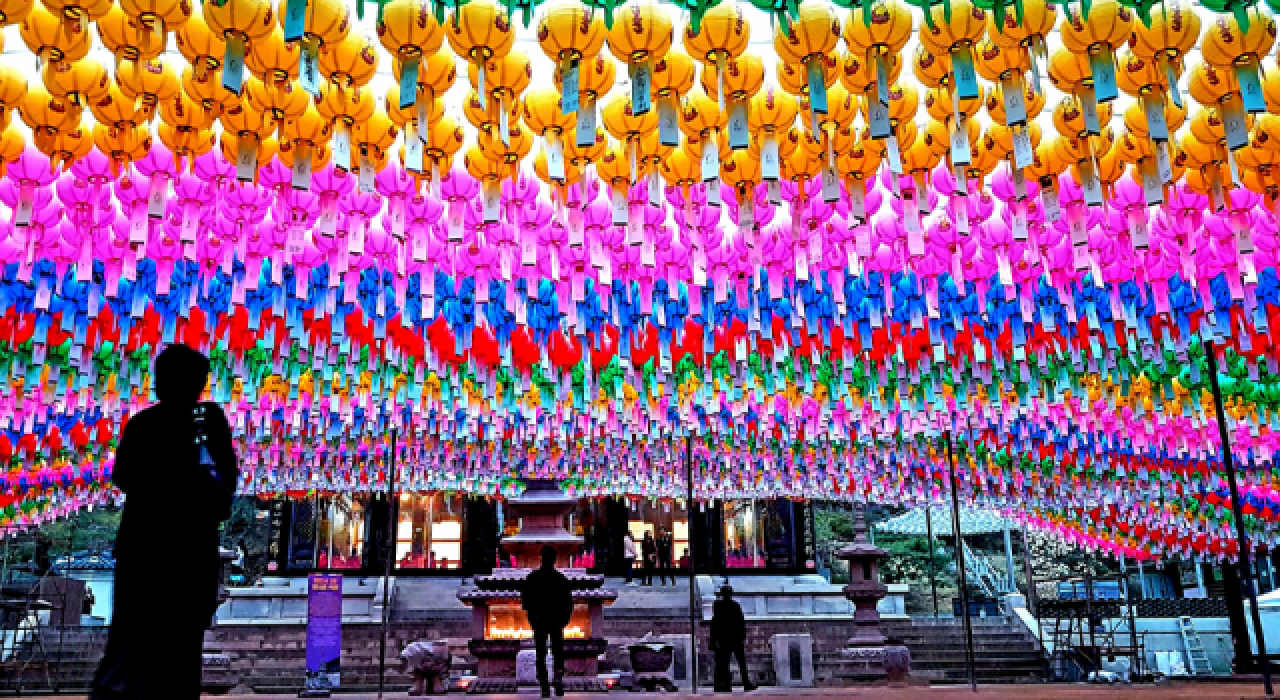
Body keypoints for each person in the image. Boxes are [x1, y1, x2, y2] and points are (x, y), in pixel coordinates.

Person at [91, 344, 239, 700]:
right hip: (183, 549)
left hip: (148, 549)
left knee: (138, 641)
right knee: (177, 648)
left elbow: (124, 475)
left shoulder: (148, 424)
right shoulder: (201, 421)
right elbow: (225, 478)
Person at [522, 546, 574, 698]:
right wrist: (564, 620)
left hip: (540, 621)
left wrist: (532, 618)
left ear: (541, 558)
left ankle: (544, 684)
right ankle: (558, 681)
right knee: (558, 652)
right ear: (554, 559)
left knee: (541, 653)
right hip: (556, 621)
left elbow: (526, 602)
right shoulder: (560, 579)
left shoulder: (533, 578)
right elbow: (568, 603)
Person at [710, 584, 756, 693]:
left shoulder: (718, 606)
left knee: (724, 663)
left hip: (725, 638)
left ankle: (725, 685)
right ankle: (744, 683)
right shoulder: (734, 606)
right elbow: (740, 622)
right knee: (739, 662)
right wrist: (742, 636)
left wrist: (714, 640)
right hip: (734, 638)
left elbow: (715, 624)